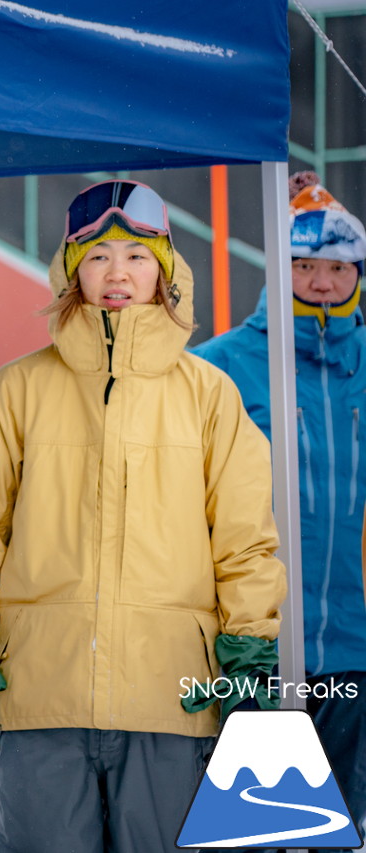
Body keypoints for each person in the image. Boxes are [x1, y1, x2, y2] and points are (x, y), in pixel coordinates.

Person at [0, 179, 287, 852]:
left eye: (136, 256)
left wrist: (249, 662)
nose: (117, 273)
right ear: (70, 271)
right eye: (96, 256)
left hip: (174, 704)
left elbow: (244, 545)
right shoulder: (18, 389)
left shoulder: (209, 396)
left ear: (165, 271)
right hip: (43, 697)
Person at [194, 171, 366, 840]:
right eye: (304, 265)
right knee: (258, 831)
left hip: (354, 648)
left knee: (343, 830)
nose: (322, 282)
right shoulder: (220, 367)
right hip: (254, 654)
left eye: (337, 267)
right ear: (278, 266)